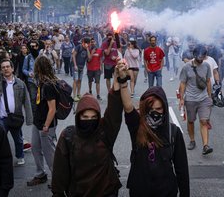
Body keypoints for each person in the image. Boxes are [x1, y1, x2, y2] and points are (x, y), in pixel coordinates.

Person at [117, 59, 189, 197]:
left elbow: (181, 169)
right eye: (151, 109)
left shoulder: (173, 132)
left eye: (159, 109)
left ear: (165, 109)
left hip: (166, 191)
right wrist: (123, 81)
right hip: (140, 190)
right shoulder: (137, 125)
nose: (155, 113)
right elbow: (127, 106)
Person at [51, 62, 124, 196]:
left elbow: (114, 111)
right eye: (85, 117)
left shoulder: (104, 131)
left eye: (93, 117)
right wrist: (57, 193)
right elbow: (60, 170)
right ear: (78, 117)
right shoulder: (68, 137)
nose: (89, 120)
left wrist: (116, 83)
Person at [27, 56, 57, 187]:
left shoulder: (49, 85)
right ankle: (41, 174)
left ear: (39, 68)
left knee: (49, 153)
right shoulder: (41, 82)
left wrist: (46, 125)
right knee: (35, 148)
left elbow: (52, 109)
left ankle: (58, 178)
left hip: (46, 124)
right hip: (38, 122)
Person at [179, 44, 213, 155]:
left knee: (204, 121)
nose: (201, 59)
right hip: (190, 99)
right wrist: (182, 99)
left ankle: (205, 146)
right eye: (199, 56)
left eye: (203, 56)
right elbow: (183, 83)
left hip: (203, 98)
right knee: (191, 121)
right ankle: (192, 140)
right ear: (194, 55)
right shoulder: (186, 67)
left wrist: (209, 97)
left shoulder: (207, 66)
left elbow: (208, 81)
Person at [72, 37, 91, 102]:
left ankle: (78, 94)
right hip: (76, 66)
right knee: (75, 80)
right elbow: (73, 55)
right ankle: (74, 96)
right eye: (88, 43)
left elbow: (89, 58)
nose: (89, 45)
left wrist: (87, 49)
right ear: (84, 43)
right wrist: (75, 65)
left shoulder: (87, 49)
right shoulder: (78, 47)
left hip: (81, 67)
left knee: (80, 80)